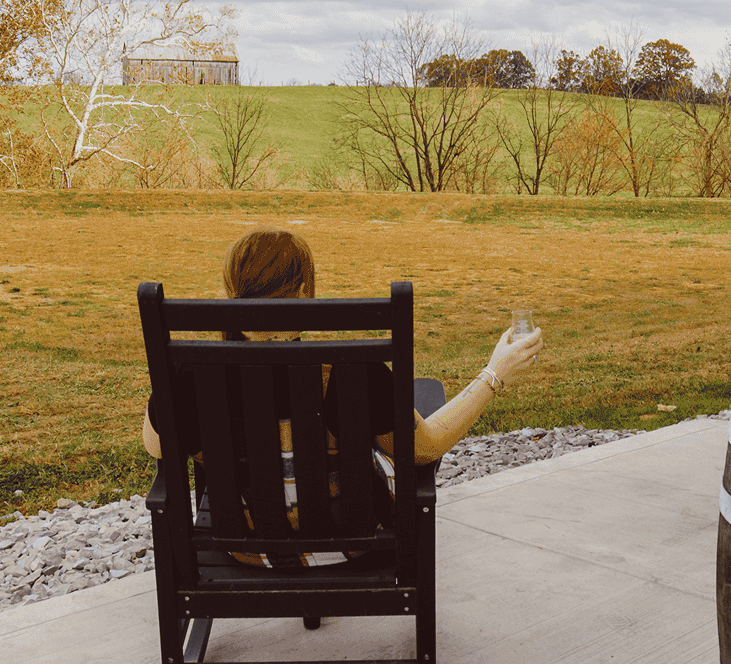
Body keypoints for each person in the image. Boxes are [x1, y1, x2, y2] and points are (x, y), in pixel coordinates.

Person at [141, 227, 542, 564]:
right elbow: (426, 448)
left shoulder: (190, 379)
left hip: (245, 550)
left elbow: (156, 447)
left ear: (230, 291)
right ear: (302, 292)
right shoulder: (352, 372)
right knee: (408, 420)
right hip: (349, 544)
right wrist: (494, 374)